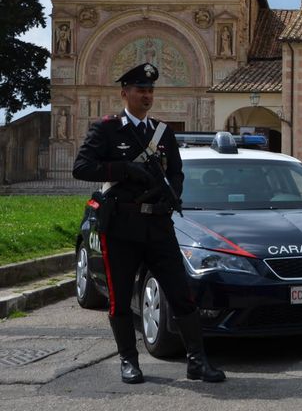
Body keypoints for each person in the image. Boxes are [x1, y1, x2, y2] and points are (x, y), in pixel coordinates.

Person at [72, 63, 225, 385]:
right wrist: (124, 169)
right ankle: (129, 361)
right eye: (140, 90)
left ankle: (197, 362)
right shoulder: (107, 129)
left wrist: (173, 194)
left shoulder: (163, 132)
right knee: (120, 297)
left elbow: (177, 172)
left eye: (150, 90)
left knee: (181, 295)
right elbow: (82, 167)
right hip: (122, 227)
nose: (146, 95)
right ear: (125, 93)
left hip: (158, 224)